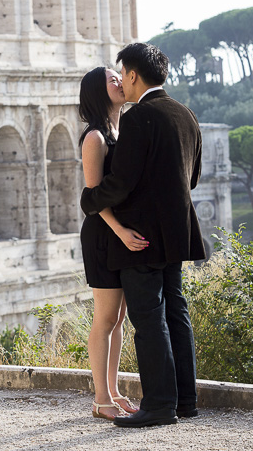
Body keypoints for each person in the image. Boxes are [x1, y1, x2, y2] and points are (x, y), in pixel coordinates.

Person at [80, 42, 207, 428]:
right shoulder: (186, 115)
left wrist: (90, 200)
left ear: (133, 75)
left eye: (123, 74)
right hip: (176, 235)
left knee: (150, 320)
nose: (121, 81)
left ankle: (158, 405)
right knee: (176, 313)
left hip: (139, 239)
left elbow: (121, 182)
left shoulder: (138, 118)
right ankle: (185, 400)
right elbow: (193, 178)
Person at [77, 66, 140, 421]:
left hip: (119, 233)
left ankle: (114, 391)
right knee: (104, 317)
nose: (120, 82)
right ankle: (101, 398)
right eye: (111, 81)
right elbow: (94, 196)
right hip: (104, 234)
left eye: (120, 77)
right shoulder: (95, 138)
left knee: (119, 318)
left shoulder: (120, 129)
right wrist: (120, 231)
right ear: (98, 93)